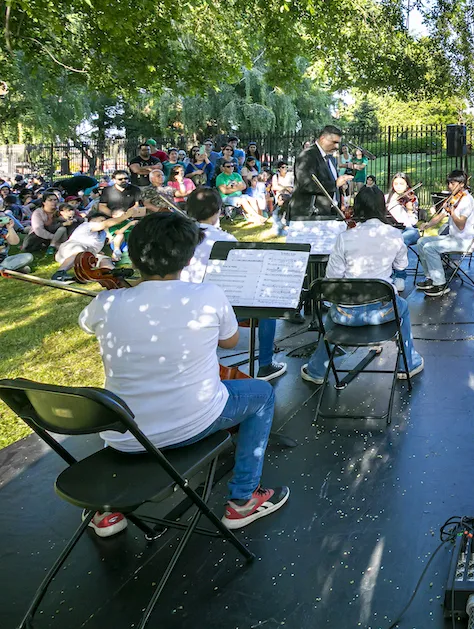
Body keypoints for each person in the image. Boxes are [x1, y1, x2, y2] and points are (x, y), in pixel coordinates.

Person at [78, 212, 289, 537]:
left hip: (124, 436)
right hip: (193, 423)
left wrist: (116, 286)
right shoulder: (207, 295)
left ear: (133, 255)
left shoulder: (106, 303)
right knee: (262, 395)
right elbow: (230, 340)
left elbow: (85, 322)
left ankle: (107, 511)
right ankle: (243, 498)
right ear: (189, 256)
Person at [300, 186, 424, 384]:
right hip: (382, 313)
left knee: (335, 307)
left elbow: (332, 278)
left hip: (345, 316)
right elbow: (402, 265)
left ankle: (317, 369)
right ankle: (407, 363)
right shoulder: (394, 235)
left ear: (357, 208)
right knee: (404, 308)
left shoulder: (344, 237)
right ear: (382, 208)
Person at [180, 188, 287, 381]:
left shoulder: (180, 237)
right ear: (218, 211)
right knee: (268, 311)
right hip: (214, 308)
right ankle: (265, 365)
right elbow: (244, 274)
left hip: (183, 303)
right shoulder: (224, 239)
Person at [415, 170, 474, 297]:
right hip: (452, 238)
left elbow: (460, 225)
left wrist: (452, 212)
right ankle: (431, 278)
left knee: (430, 248)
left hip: (464, 241)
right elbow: (440, 216)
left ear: (461, 184)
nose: (449, 186)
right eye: (448, 183)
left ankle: (440, 284)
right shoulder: (453, 198)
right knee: (421, 242)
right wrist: (427, 225)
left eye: (452, 183)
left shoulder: (467, 200)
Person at [291, 125, 352, 212]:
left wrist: (341, 186)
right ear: (323, 138)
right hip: (310, 215)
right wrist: (335, 184)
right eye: (334, 142)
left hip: (331, 213)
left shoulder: (331, 158)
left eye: (338, 143)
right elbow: (306, 185)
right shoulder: (307, 155)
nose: (337, 147)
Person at [50, 210, 124, 281]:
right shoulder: (87, 225)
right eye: (101, 220)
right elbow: (106, 224)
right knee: (80, 250)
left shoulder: (103, 234)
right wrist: (127, 215)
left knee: (105, 259)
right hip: (68, 251)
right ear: (92, 220)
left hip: (87, 256)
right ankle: (59, 273)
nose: (103, 223)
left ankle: (113, 273)